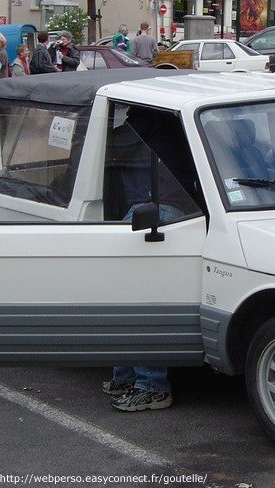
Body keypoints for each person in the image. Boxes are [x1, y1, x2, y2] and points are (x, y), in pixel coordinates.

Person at [102, 107, 200, 412]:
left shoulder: (144, 124)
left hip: (159, 209)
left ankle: (151, 386)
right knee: (125, 295)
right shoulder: (173, 119)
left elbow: (107, 143)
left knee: (132, 298)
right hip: (175, 207)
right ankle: (127, 375)